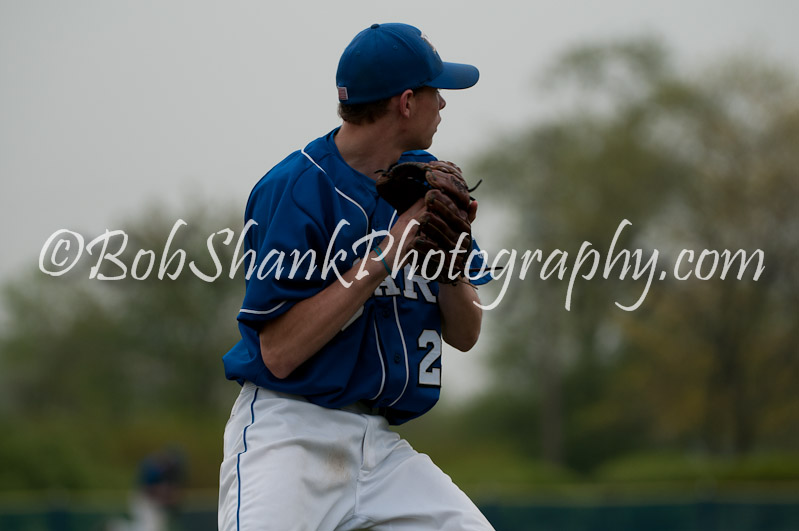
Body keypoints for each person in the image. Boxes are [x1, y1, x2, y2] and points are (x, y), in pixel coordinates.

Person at [218, 22, 494, 530]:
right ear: (406, 102)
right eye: (437, 91)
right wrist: (386, 257)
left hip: (379, 444)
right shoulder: (297, 188)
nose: (444, 104)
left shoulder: (426, 188)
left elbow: (467, 334)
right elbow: (278, 353)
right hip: (289, 435)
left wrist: (451, 267)